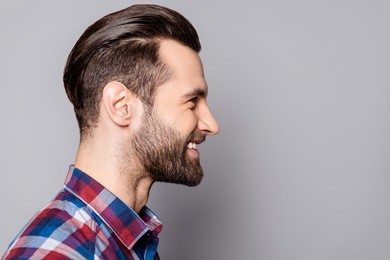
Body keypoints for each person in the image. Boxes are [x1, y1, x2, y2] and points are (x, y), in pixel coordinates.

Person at [2, 4, 219, 259]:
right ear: (121, 106)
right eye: (192, 101)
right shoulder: (57, 253)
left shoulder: (132, 242)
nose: (212, 125)